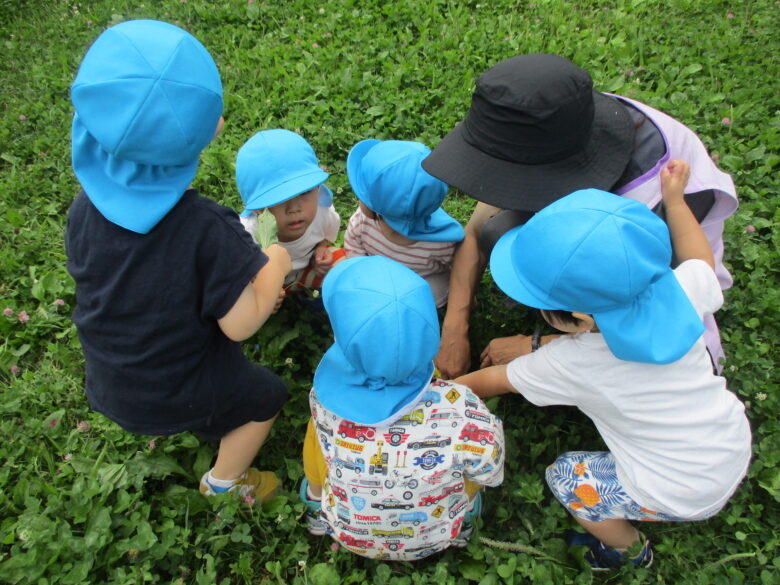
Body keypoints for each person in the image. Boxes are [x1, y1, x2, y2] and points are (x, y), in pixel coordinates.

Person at [455, 161, 751, 569]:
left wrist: (436, 391)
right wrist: (675, 202)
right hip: (729, 444)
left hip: (678, 490)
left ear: (580, 319)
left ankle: (628, 550)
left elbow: (493, 380)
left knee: (567, 477)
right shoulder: (684, 288)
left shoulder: (574, 362)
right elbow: (699, 257)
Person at [65, 20, 291, 502]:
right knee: (267, 397)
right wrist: (276, 260)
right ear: (212, 130)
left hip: (109, 379)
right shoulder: (206, 228)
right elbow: (242, 325)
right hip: (177, 388)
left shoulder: (82, 209)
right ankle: (224, 484)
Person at [422, 53, 738, 378]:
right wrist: (454, 327)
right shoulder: (552, 118)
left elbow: (648, 321)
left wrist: (537, 346)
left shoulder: (636, 217)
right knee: (496, 229)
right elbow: (478, 228)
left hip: (643, 282)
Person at [299, 256, 504, 560]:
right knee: (469, 461)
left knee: (317, 438)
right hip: (437, 535)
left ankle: (316, 504)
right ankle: (465, 521)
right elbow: (491, 471)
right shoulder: (462, 408)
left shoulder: (325, 400)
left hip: (348, 532)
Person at [343, 140, 464, 308]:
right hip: (382, 275)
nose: (358, 199)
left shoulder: (362, 222)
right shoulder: (444, 243)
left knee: (433, 293)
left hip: (420, 284)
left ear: (373, 208)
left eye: (361, 195)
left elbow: (459, 265)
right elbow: (354, 250)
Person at [236, 129, 343, 308]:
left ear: (318, 189)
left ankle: (316, 302)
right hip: (268, 281)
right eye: (278, 200)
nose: (294, 209)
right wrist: (260, 293)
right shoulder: (247, 234)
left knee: (341, 265)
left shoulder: (323, 213)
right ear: (256, 209)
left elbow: (326, 235)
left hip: (307, 268)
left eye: (305, 192)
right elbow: (239, 273)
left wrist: (322, 248)